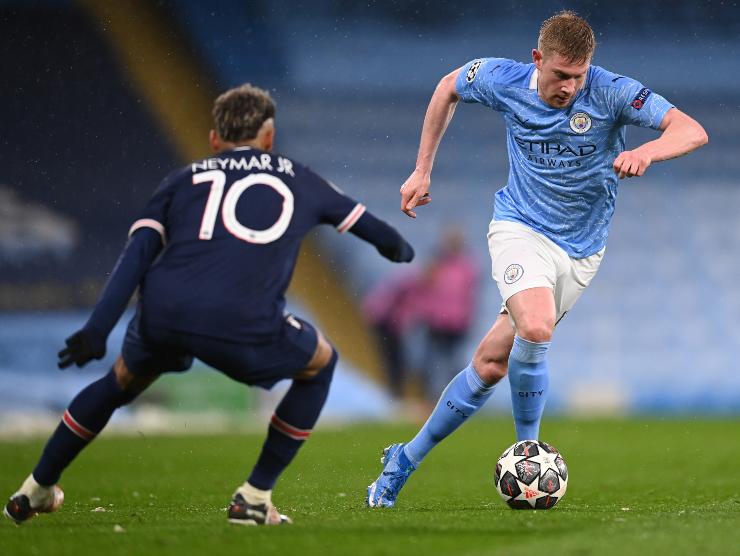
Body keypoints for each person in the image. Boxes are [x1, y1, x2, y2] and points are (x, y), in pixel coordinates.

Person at [2, 83, 414, 526]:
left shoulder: (181, 180)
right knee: (320, 363)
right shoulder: (299, 178)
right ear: (270, 137)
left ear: (214, 140)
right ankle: (254, 496)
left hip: (165, 313)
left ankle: (36, 488)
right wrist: (402, 250)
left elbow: (137, 253)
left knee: (119, 381)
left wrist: (98, 329)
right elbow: (386, 241)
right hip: (243, 319)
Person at [366, 10, 707, 508]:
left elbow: (691, 130)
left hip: (582, 251)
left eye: (578, 76)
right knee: (538, 326)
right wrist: (421, 171)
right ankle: (530, 450)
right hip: (520, 228)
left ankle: (404, 459)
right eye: (559, 75)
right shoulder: (503, 78)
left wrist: (650, 152)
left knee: (488, 364)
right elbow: (448, 87)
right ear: (537, 60)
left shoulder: (612, 91)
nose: (569, 87)